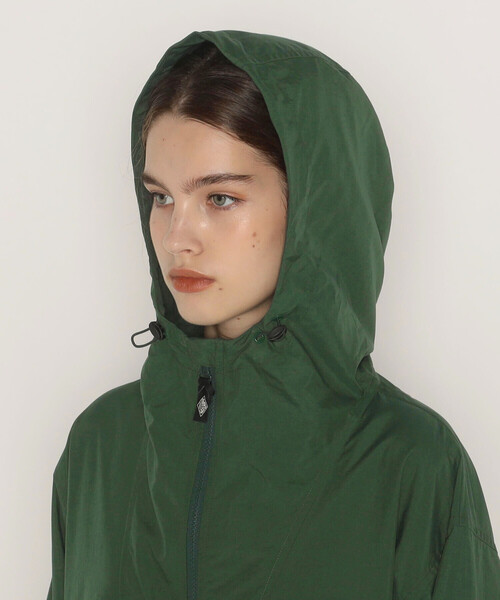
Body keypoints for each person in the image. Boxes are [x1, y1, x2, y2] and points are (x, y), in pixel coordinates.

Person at [46, 29, 500, 599]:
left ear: (315, 209)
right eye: (161, 197)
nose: (177, 237)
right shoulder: (100, 446)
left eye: (220, 198)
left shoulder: (413, 463)